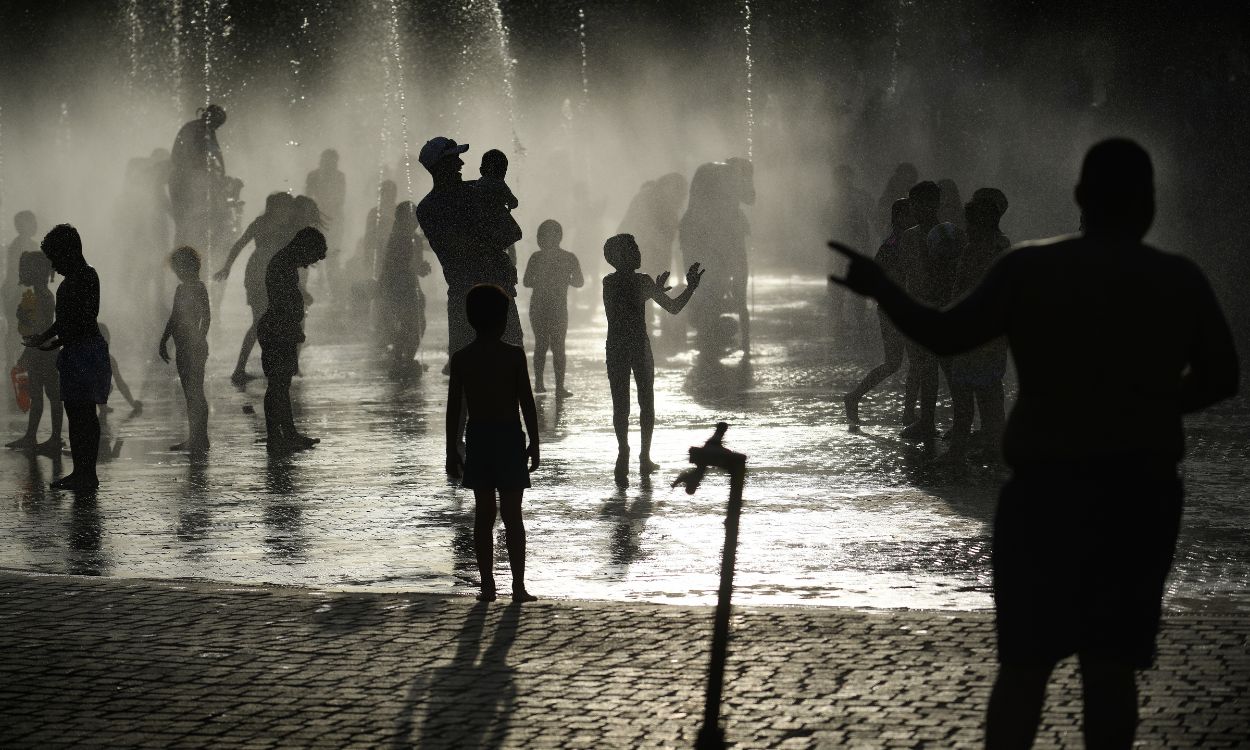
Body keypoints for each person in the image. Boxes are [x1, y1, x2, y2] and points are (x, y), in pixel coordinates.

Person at [828, 138, 1239, 749]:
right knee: (1111, 668)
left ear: (1079, 199)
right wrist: (1146, 405)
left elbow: (945, 335)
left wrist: (884, 288)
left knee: (1024, 666)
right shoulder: (1174, 278)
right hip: (1136, 492)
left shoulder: (1030, 269)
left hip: (1044, 491)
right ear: (1149, 203)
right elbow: (1222, 377)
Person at [445, 284, 540, 603]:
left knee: (483, 515)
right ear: (504, 320)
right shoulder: (513, 356)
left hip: (480, 439)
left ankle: (487, 586)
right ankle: (518, 586)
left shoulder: (462, 359)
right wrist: (535, 442)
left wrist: (450, 449)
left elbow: (454, 408)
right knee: (513, 516)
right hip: (510, 438)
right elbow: (526, 401)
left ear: (471, 319)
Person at [603, 233, 704, 488]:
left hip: (617, 347)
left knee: (622, 404)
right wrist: (687, 287)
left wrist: (657, 291)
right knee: (644, 401)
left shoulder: (613, 282)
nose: (638, 252)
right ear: (620, 256)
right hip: (637, 346)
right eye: (633, 248)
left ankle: (625, 452)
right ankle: (641, 455)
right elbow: (673, 308)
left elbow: (626, 307)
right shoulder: (640, 282)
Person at [415, 136, 524, 368]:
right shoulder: (474, 193)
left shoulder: (427, 208)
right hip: (491, 291)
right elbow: (511, 233)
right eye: (455, 160)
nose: (461, 164)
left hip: (463, 295)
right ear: (440, 166)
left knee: (468, 373)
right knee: (506, 367)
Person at [24, 224, 112, 491]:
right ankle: (84, 472)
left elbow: (83, 318)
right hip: (81, 349)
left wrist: (55, 338)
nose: (54, 266)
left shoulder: (82, 278)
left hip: (83, 352)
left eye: (55, 259)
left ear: (69, 252)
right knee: (80, 413)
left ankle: (85, 472)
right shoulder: (84, 277)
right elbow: (69, 322)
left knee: (81, 413)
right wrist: (51, 339)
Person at [946, 188, 1011, 456]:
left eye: (970, 223)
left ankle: (964, 449)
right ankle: (990, 445)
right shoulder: (994, 246)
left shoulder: (990, 249)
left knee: (971, 389)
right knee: (986, 388)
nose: (967, 228)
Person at [843, 197, 913, 428]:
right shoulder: (893, 245)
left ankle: (856, 397)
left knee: (901, 362)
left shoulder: (901, 242)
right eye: (909, 214)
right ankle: (908, 414)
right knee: (904, 362)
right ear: (898, 218)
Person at [256, 228, 327, 451]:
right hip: (277, 331)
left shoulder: (284, 263)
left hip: (281, 330)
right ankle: (275, 437)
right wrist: (292, 326)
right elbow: (282, 302)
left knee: (282, 385)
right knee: (277, 385)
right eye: (310, 258)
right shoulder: (282, 265)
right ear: (304, 247)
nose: (307, 265)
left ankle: (287, 434)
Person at [215, 192, 296, 385]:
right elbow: (239, 244)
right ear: (273, 207)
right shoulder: (262, 223)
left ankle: (262, 366)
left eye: (288, 207)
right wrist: (227, 266)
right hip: (258, 275)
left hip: (275, 276)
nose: (287, 210)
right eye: (283, 206)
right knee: (260, 321)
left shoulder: (287, 226)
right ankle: (240, 369)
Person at [896, 180, 950, 440]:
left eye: (923, 203)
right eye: (914, 204)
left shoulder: (947, 235)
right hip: (917, 307)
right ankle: (927, 420)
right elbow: (906, 273)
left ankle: (961, 425)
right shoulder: (909, 236)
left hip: (940, 307)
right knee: (926, 368)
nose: (918, 209)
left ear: (935, 204)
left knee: (950, 369)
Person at [6, 252, 62, 453]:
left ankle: (55, 437)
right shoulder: (40, 294)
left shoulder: (44, 296)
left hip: (45, 351)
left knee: (53, 395)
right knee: (37, 394)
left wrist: (29, 352)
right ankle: (32, 436)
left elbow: (43, 326)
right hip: (42, 349)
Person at [523, 219, 584, 395]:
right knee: (558, 346)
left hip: (538, 306)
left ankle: (539, 384)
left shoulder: (536, 257)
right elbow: (579, 282)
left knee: (540, 345)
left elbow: (527, 282)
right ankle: (559, 387)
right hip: (558, 307)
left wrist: (542, 281)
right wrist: (565, 280)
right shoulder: (569, 258)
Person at [158, 246, 211, 451]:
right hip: (183, 347)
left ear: (189, 267)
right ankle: (196, 438)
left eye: (178, 269)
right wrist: (164, 340)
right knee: (190, 393)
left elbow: (206, 317)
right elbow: (174, 317)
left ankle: (200, 438)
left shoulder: (199, 288)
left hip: (194, 347)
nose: (177, 274)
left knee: (195, 392)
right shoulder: (181, 289)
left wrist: (199, 338)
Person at [378, 201, 431, 368]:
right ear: (400, 219)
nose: (414, 222)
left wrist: (421, 269)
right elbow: (399, 266)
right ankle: (402, 359)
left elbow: (415, 267)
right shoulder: (398, 238)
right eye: (410, 218)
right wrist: (419, 268)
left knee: (415, 324)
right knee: (412, 325)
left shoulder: (414, 238)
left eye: (416, 218)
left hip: (408, 286)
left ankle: (404, 359)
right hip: (398, 287)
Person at [5, 211, 39, 365]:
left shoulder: (32, 244)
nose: (35, 224)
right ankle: (12, 363)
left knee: (25, 329)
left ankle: (19, 362)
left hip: (24, 292)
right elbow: (14, 272)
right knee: (15, 328)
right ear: (22, 226)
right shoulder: (17, 246)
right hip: (16, 292)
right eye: (31, 221)